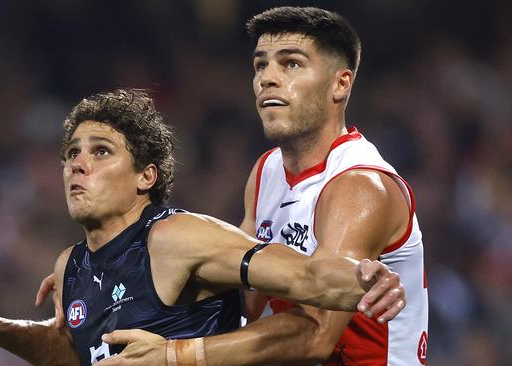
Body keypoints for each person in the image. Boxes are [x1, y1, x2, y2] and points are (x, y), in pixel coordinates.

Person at [0, 89, 405, 366]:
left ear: (146, 176)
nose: (78, 165)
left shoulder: (176, 237)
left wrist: (365, 282)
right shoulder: (72, 264)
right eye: (71, 154)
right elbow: (73, 354)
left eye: (101, 152)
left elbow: (304, 282)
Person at [83, 7, 428, 366]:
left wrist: (174, 355)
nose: (268, 78)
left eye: (291, 64)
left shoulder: (359, 187)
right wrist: (95, 273)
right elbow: (241, 300)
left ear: (340, 84)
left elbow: (315, 333)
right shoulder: (267, 171)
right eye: (261, 65)